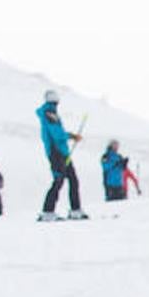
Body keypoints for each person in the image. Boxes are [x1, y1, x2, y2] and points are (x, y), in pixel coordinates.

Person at [36, 89, 87, 221]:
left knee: (72, 180)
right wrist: (71, 136)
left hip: (62, 153)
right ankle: (48, 211)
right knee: (59, 180)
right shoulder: (49, 113)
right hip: (56, 153)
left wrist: (70, 137)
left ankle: (75, 210)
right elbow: (57, 134)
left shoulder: (51, 113)